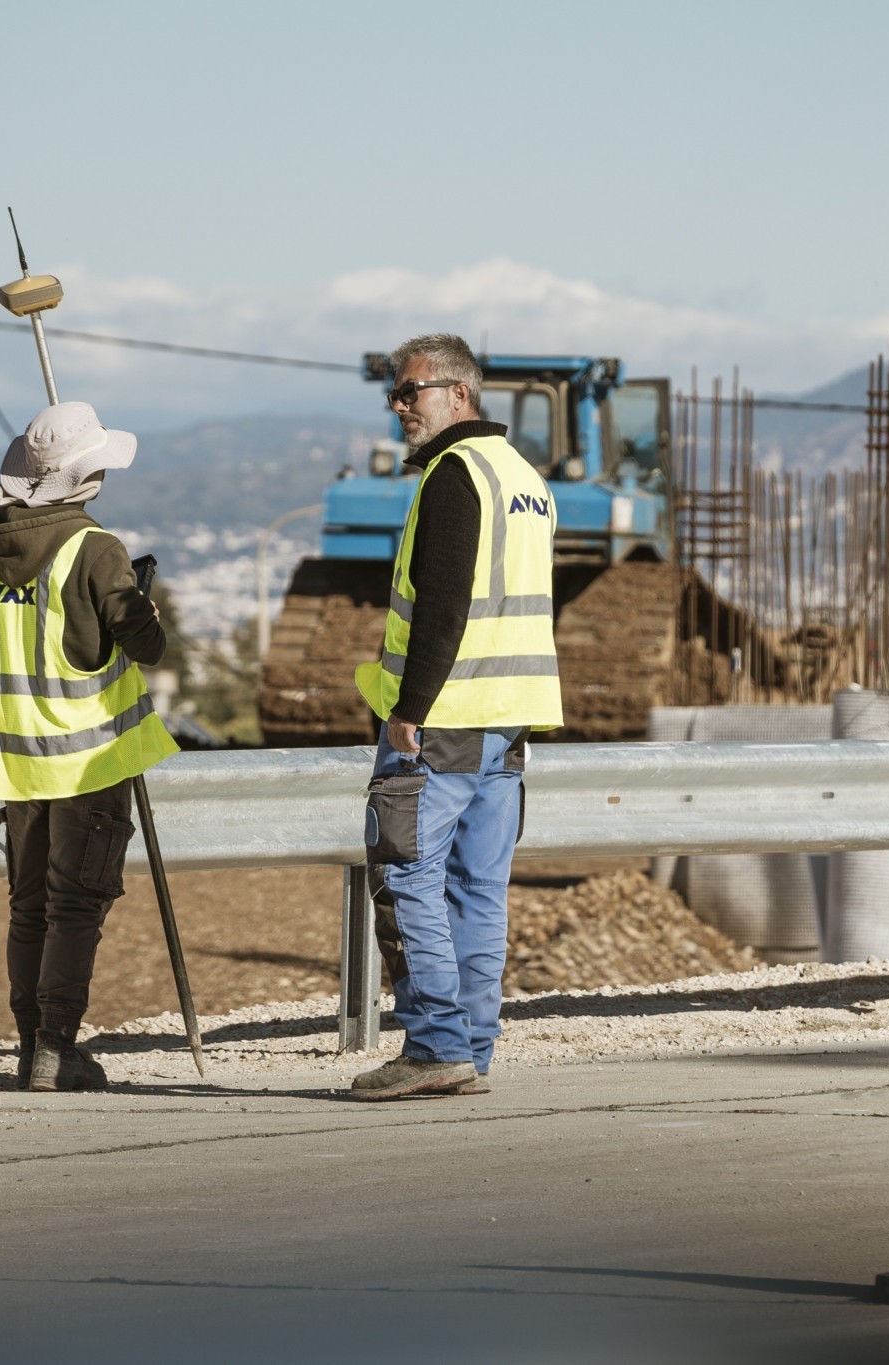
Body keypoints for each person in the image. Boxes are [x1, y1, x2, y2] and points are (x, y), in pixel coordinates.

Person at [349, 333, 561, 1101]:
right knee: (479, 885)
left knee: (408, 872)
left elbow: (444, 604)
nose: (399, 406)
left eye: (412, 391)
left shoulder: (452, 474)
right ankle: (472, 1044)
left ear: (459, 394)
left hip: (444, 718)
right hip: (507, 720)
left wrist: (410, 709)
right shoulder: (525, 478)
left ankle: (437, 1040)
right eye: (397, 394)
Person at [0, 402, 177, 1092]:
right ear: (85, 477)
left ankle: (29, 1046)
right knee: (76, 904)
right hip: (86, 756)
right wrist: (142, 604)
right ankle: (56, 1049)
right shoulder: (93, 549)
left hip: (10, 759)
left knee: (29, 905)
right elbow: (149, 646)